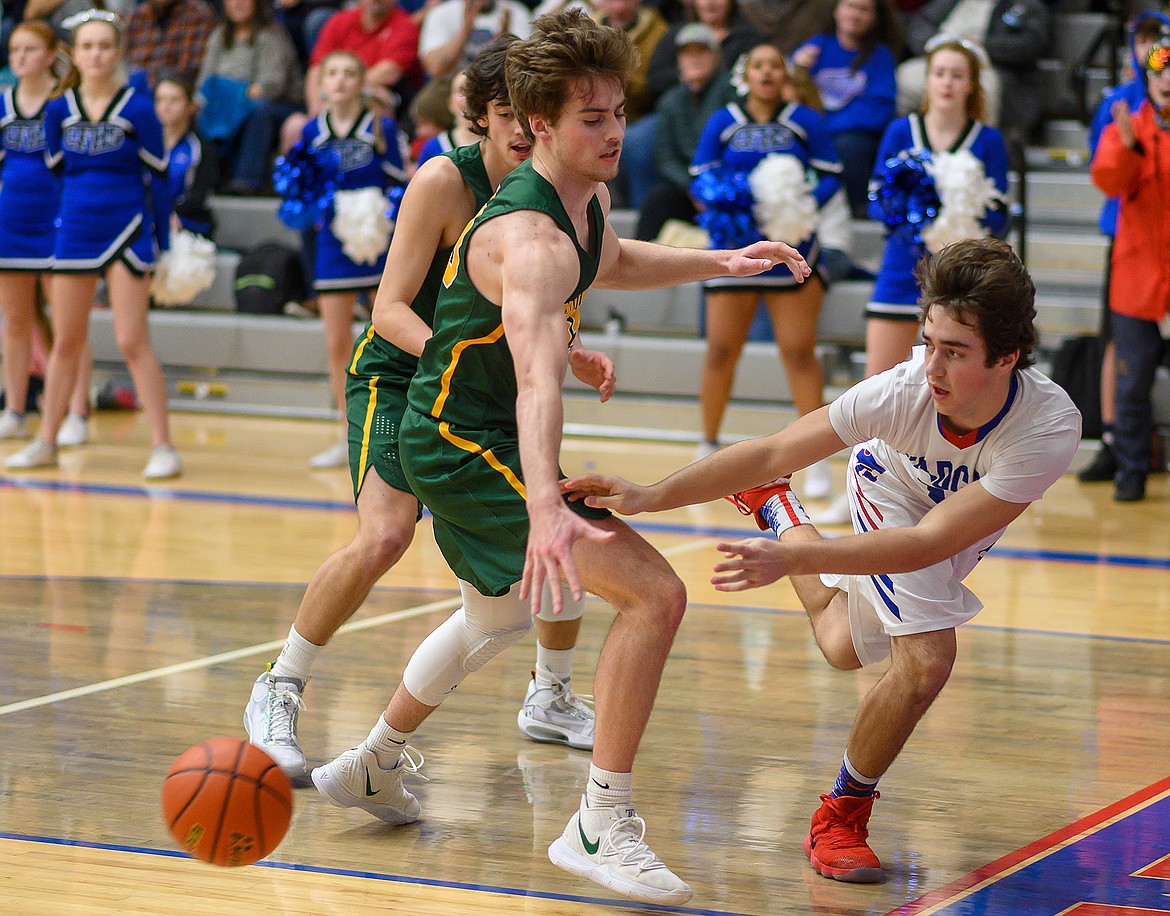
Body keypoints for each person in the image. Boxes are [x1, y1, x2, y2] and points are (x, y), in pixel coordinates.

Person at [309, 10, 810, 906]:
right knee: (654, 594)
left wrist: (727, 261)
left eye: (618, 110)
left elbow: (612, 260)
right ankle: (597, 824)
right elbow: (539, 383)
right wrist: (545, 505)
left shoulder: (582, 199)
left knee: (497, 619)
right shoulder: (529, 241)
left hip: (477, 432)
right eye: (591, 118)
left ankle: (371, 764)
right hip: (462, 444)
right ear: (538, 124)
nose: (614, 131)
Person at [563, 236, 1081, 885]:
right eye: (929, 342)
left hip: (942, 527)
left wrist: (789, 558)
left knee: (841, 645)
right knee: (927, 659)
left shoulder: (1049, 426)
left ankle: (776, 513)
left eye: (955, 352)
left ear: (1008, 358)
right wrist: (653, 494)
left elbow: (930, 543)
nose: (933, 368)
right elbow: (776, 447)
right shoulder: (900, 391)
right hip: (888, 488)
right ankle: (840, 816)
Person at [244, 36, 600, 778]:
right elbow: (390, 306)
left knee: (556, 517)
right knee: (384, 537)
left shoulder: (562, 188)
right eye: (502, 112)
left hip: (479, 391)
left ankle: (551, 695)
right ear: (481, 116)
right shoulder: (445, 180)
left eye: (525, 112)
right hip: (402, 372)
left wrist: (562, 348)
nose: (515, 127)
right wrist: (467, 356)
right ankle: (280, 684)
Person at [6, 11, 182, 479]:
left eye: (105, 45)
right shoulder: (58, 110)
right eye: (87, 46)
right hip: (76, 230)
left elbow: (160, 182)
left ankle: (163, 445)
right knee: (66, 341)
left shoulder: (138, 107)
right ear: (75, 53)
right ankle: (47, 440)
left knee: (131, 340)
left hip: (128, 228)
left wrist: (162, 241)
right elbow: (58, 171)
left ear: (118, 50)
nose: (96, 54)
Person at [690, 43, 842, 502]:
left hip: (790, 247)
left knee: (798, 352)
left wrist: (794, 199)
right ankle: (708, 446)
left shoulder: (805, 119)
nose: (767, 72)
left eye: (775, 65)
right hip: (733, 249)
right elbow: (699, 176)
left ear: (785, 75)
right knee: (720, 349)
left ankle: (813, 460)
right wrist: (725, 199)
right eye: (758, 65)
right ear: (746, 74)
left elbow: (831, 173)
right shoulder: (723, 119)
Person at [292, 50, 408, 469]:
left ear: (361, 82)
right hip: (333, 244)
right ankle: (346, 435)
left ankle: (399, 433)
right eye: (332, 73)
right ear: (322, 82)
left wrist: (381, 220)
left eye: (348, 74)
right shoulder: (311, 131)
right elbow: (301, 189)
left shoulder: (382, 127)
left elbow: (401, 183)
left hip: (378, 241)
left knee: (391, 338)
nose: (340, 81)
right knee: (337, 344)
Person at [864, 37, 1008, 377]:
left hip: (962, 275)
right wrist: (915, 219)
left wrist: (959, 217)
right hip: (903, 265)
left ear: (971, 85)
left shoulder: (988, 140)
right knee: (878, 383)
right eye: (940, 73)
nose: (947, 82)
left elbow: (999, 216)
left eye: (957, 75)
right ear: (927, 80)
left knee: (954, 383)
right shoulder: (901, 131)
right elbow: (875, 201)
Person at [1077, 11, 1170, 487]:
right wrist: (1130, 148)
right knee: (1131, 381)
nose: (1167, 81)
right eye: (1159, 71)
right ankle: (1131, 470)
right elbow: (1105, 178)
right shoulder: (1125, 124)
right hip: (1138, 276)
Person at [0, 22, 87, 444]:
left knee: (68, 325)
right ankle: (14, 409)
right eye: (14, 50)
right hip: (11, 220)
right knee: (15, 323)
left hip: (57, 220)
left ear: (51, 55)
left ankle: (77, 412)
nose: (19, 58)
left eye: (30, 49)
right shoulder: (2, 102)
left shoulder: (66, 104)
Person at [791, 0, 900, 217]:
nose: (855, 14)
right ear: (837, 10)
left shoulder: (880, 56)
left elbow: (879, 110)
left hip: (854, 139)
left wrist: (826, 125)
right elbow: (787, 90)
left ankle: (857, 209)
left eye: (864, 9)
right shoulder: (816, 47)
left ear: (875, 18)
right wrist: (795, 66)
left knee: (849, 145)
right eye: (850, 6)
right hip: (814, 131)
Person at [898, 0, 1050, 140]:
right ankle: (908, 143)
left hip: (988, 66)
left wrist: (982, 46)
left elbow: (1031, 45)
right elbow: (918, 27)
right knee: (903, 77)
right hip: (940, 58)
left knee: (986, 87)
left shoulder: (1024, 4)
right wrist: (943, 46)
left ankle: (980, 148)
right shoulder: (948, 2)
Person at [195, 0, 300, 196]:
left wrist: (227, 91)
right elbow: (205, 82)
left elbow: (271, 86)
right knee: (202, 110)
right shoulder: (219, 35)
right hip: (231, 104)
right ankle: (206, 182)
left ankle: (247, 180)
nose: (237, 4)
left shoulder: (271, 34)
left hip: (281, 105)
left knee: (257, 109)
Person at [634, 22, 728, 241]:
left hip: (726, 181)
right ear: (678, 60)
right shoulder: (670, 101)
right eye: (687, 53)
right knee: (657, 200)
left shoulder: (732, 93)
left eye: (701, 52)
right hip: (688, 185)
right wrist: (692, 187)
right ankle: (638, 265)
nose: (694, 59)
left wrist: (713, 187)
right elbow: (666, 157)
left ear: (716, 56)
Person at [282, 0, 421, 147]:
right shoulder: (340, 21)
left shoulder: (404, 25)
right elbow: (316, 69)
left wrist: (346, 88)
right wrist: (316, 109)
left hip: (385, 99)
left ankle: (377, 159)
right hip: (330, 99)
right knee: (294, 125)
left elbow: (389, 72)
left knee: (379, 97)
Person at [154, 72, 218, 238]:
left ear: (190, 106)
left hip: (186, 221)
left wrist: (167, 213)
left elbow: (199, 196)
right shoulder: (143, 146)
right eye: (160, 100)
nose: (166, 106)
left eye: (174, 100)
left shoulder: (201, 148)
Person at [418, 0, 533, 80]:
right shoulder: (441, 13)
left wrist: (505, 42)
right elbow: (436, 68)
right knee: (425, 105)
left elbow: (526, 67)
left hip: (501, 82)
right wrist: (465, 31)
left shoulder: (514, 12)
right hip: (450, 84)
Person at [124, 0, 218, 87]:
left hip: (178, 96)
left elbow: (189, 72)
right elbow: (125, 68)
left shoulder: (198, 15)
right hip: (139, 95)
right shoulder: (136, 18)